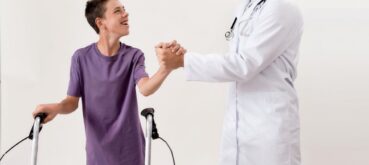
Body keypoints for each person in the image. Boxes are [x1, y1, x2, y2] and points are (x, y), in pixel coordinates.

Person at [31, 0, 185, 164]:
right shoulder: (81, 58)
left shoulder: (134, 56)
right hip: (97, 153)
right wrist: (55, 108)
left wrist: (166, 68)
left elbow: (145, 88)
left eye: (124, 9)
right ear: (100, 22)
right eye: (118, 11)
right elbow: (71, 102)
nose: (126, 14)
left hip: (130, 152)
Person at [156, 0, 304, 164]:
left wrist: (184, 61)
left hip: (268, 127)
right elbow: (233, 61)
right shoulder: (245, 6)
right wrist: (183, 57)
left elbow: (244, 64)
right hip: (237, 126)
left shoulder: (281, 8)